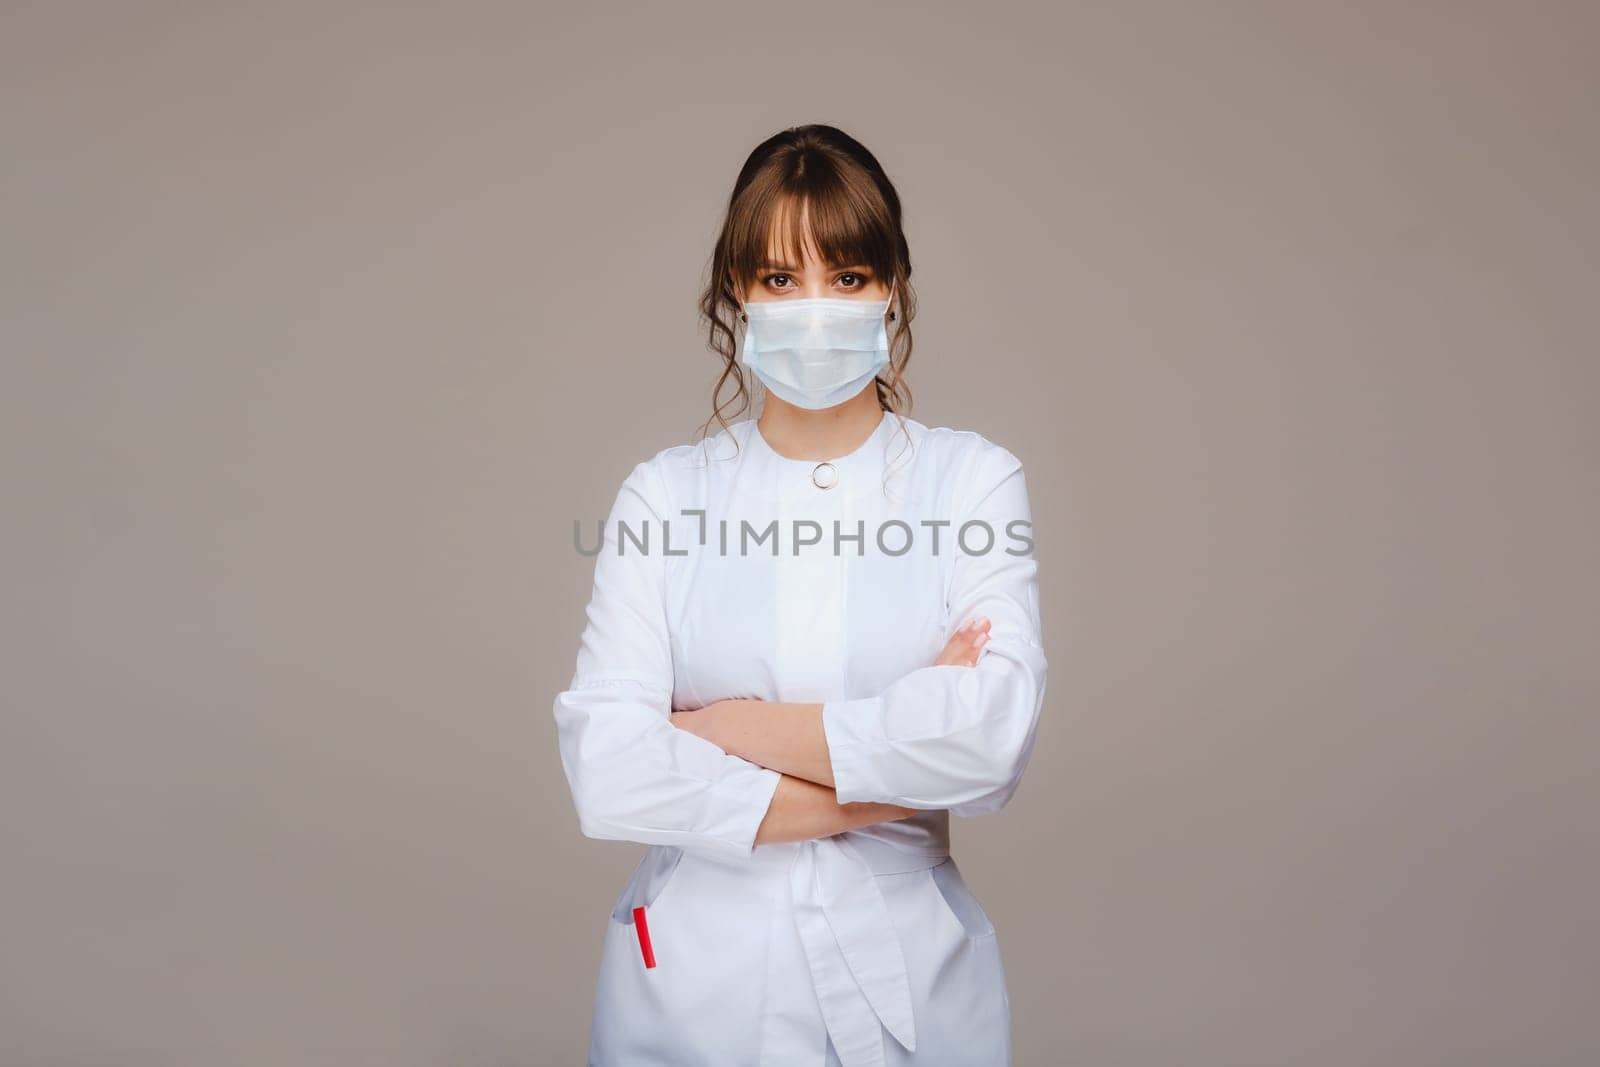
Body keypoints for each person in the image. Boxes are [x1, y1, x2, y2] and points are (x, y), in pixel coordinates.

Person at [551, 124, 1048, 1067]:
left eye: (848, 277)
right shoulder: (665, 495)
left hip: (910, 977)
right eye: (782, 280)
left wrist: (716, 729)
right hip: (700, 988)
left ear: (892, 287)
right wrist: (888, 769)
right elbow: (611, 772)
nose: (815, 308)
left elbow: (987, 741)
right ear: (737, 290)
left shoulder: (969, 481)